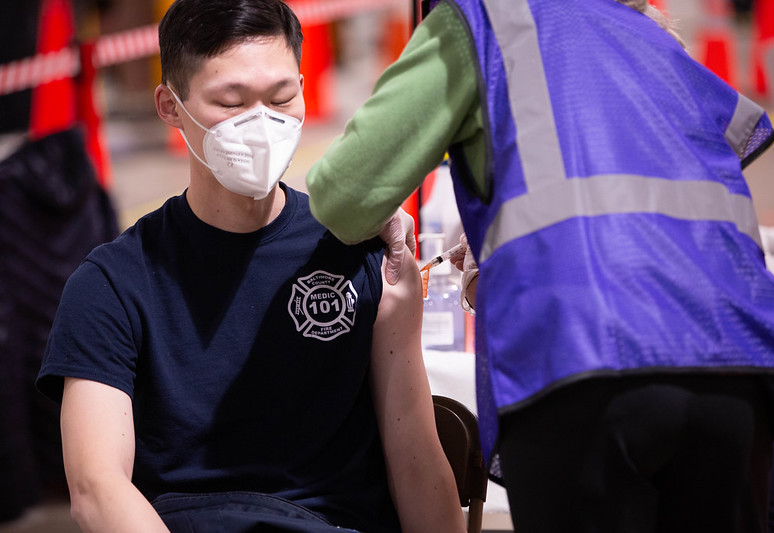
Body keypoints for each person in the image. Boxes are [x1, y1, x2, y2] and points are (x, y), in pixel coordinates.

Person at [305, 0, 774, 531]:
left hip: (586, 360)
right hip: (735, 367)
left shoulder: (482, 21)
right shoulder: (649, 31)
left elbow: (344, 196)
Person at [35, 1, 465, 531]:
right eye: (230, 102)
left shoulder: (361, 253)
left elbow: (417, 463)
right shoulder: (113, 284)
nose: (261, 123)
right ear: (170, 107)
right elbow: (97, 488)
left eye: (282, 97)